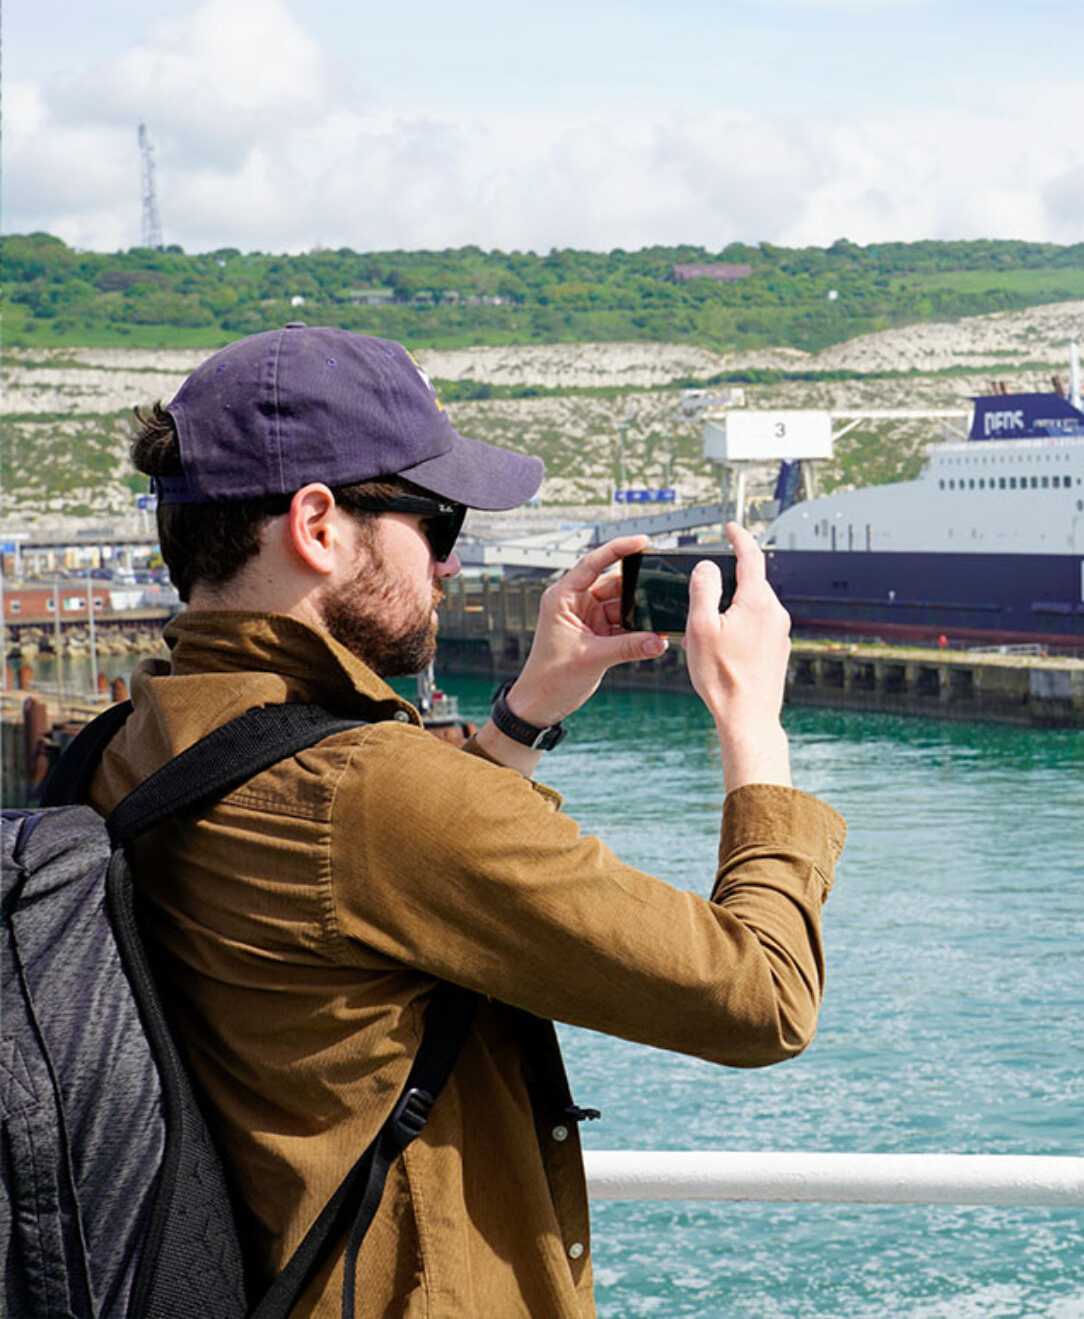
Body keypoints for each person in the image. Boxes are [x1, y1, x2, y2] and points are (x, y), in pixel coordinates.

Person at [89, 323, 843, 1316]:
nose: (449, 567)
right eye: (437, 523)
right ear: (317, 526)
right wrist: (753, 724)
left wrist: (523, 718)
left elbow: (363, 893)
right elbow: (763, 997)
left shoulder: (119, 750)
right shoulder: (374, 793)